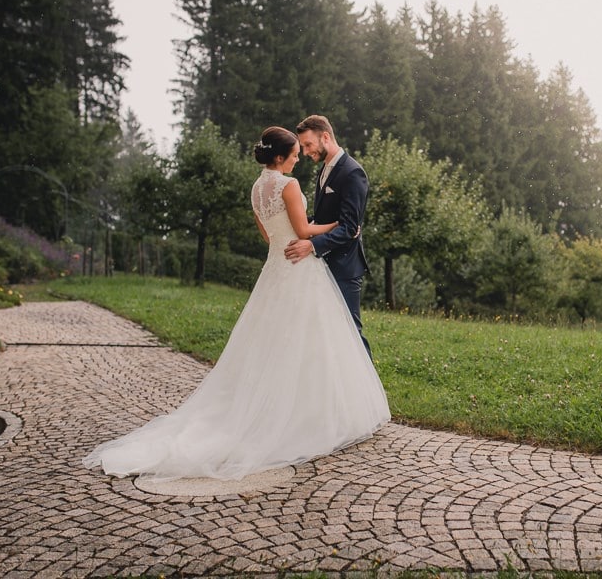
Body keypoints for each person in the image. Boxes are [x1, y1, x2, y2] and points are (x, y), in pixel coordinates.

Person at [83, 126, 390, 481]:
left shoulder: (258, 188)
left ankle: (304, 407)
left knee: (280, 342)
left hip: (276, 266)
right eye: (294, 153)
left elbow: (268, 234)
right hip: (298, 267)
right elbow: (304, 231)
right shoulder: (288, 186)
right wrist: (334, 225)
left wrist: (302, 233)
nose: (298, 159)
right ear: (279, 157)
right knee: (315, 338)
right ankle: (311, 414)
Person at [284, 115, 372, 358]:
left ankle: (370, 395)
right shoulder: (324, 170)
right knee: (324, 333)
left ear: (325, 137)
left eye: (308, 145)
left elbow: (348, 228)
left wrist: (311, 245)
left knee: (350, 331)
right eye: (302, 146)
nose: (305, 151)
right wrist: (301, 224)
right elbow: (325, 217)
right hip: (323, 265)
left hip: (345, 267)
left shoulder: (353, 173)